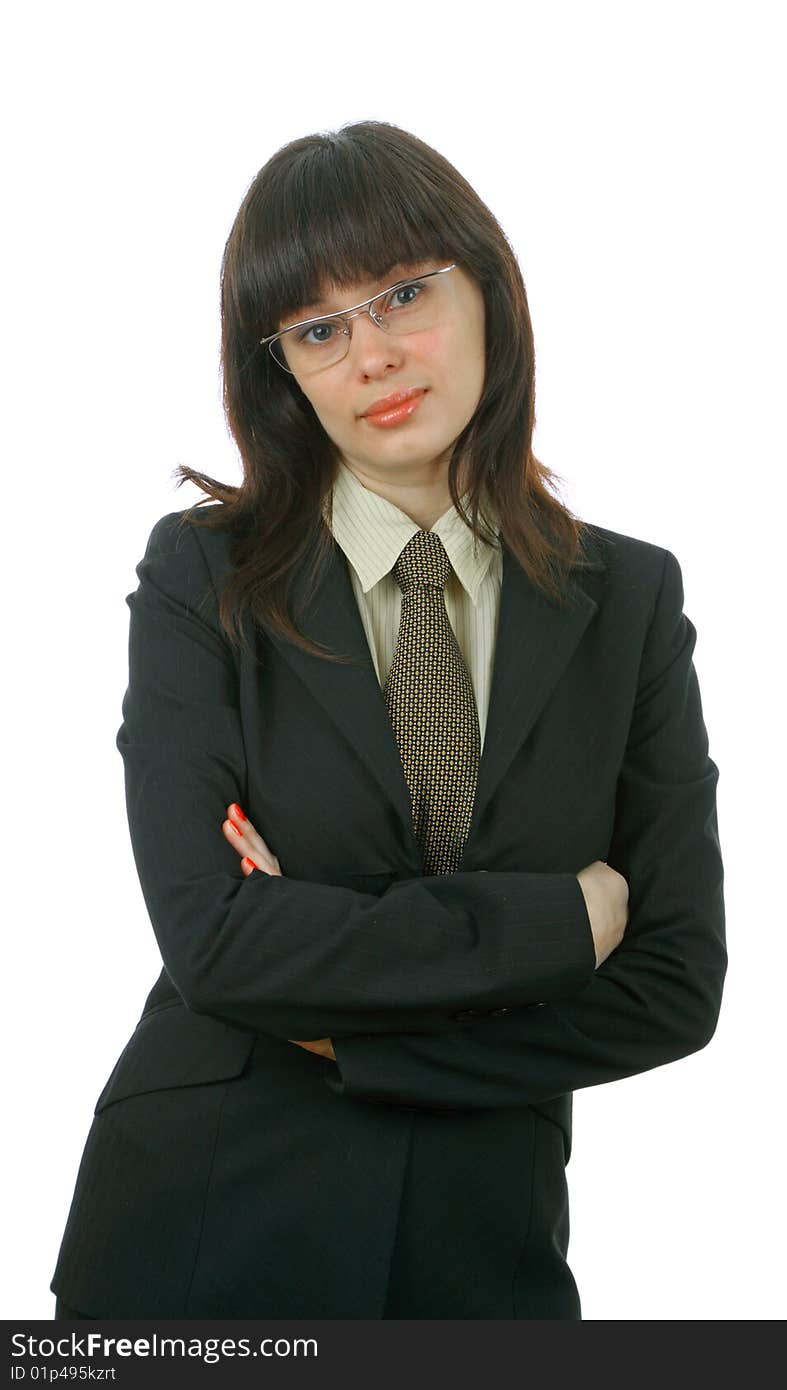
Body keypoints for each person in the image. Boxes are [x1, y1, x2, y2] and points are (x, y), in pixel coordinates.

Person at [50, 119, 727, 1320]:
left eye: (403, 293)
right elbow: (213, 942)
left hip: (488, 1250)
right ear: (284, 372)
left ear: (488, 295)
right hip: (204, 1225)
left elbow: (673, 982)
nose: (372, 355)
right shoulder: (203, 577)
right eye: (318, 328)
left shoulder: (628, 600)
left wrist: (354, 1031)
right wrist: (560, 916)